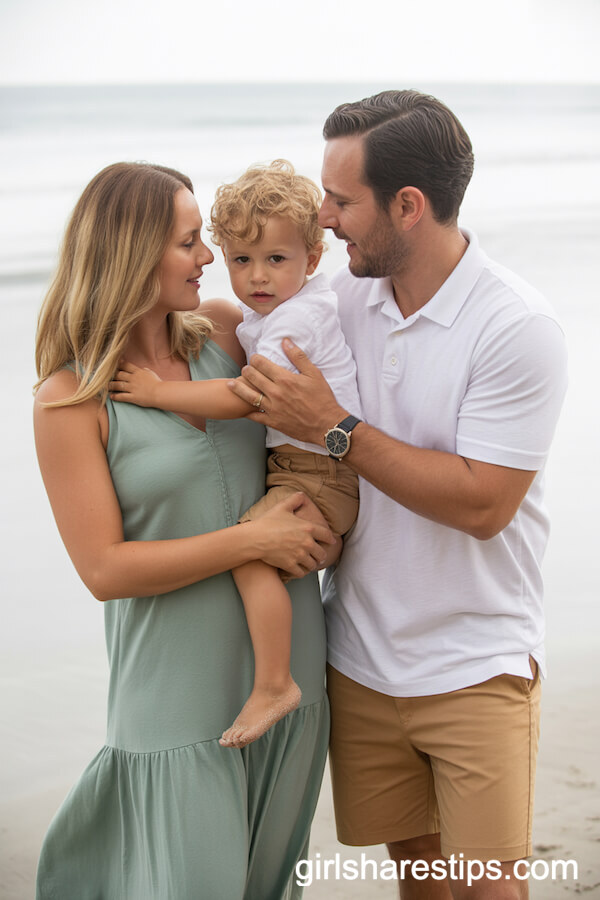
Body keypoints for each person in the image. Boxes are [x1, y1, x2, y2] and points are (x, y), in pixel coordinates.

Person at [228, 90, 568, 899]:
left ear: (408, 205)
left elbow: (484, 505)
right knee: (419, 886)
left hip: (476, 664)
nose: (324, 220)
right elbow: (243, 314)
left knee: (490, 890)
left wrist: (336, 427)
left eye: (340, 202)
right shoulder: (340, 298)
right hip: (363, 660)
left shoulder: (515, 326)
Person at [33, 161, 336, 900]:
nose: (210, 258)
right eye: (190, 241)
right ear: (132, 251)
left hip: (291, 672)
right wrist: (252, 542)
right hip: (175, 695)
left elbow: (330, 409)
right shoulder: (69, 397)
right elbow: (103, 569)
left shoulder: (232, 335)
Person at [109, 160, 361, 750]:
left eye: (276, 260)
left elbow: (250, 397)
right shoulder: (272, 315)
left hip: (317, 470)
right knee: (256, 545)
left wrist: (156, 392)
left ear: (312, 259)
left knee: (251, 551)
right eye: (240, 260)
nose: (255, 277)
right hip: (312, 468)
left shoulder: (290, 321)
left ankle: (274, 682)